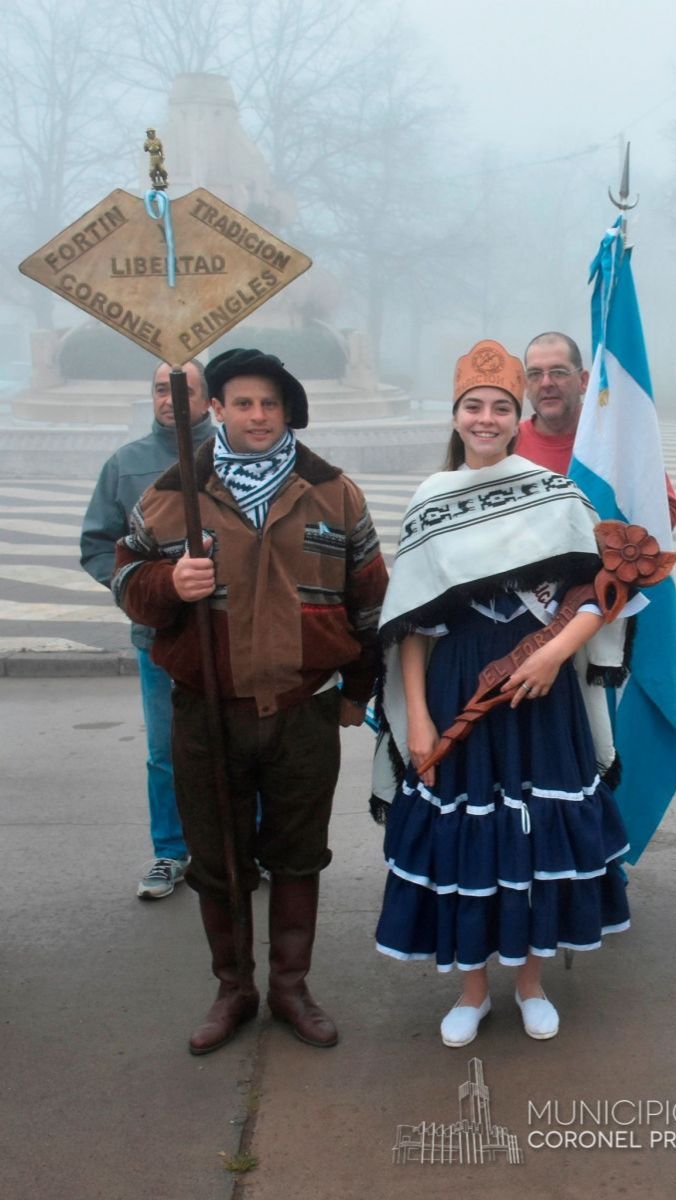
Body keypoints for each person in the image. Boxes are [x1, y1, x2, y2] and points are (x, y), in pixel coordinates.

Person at [113, 349, 387, 1054]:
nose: (256, 416)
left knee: (298, 857)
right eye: (242, 403)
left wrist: (357, 689)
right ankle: (233, 988)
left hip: (303, 709)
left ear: (287, 411)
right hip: (206, 710)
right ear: (217, 409)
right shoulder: (175, 491)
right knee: (217, 859)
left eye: (269, 404)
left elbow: (371, 599)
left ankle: (291, 988)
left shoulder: (335, 491)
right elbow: (126, 579)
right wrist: (171, 583)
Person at [371, 339, 634, 1047]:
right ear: (454, 416)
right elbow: (414, 627)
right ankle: (472, 990)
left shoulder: (554, 493)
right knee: (467, 837)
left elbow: (599, 592)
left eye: (499, 408)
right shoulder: (430, 499)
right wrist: (419, 720)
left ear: (516, 417)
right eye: (472, 407)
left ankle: (530, 983)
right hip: (462, 689)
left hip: (541, 696)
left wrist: (553, 654)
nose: (485, 419)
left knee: (534, 834)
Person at [81, 360, 213, 900]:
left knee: (246, 744)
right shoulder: (127, 464)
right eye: (162, 389)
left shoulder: (235, 457)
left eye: (184, 390)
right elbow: (97, 543)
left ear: (209, 399)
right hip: (159, 638)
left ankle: (250, 846)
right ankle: (169, 851)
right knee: (165, 750)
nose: (171, 400)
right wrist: (140, 589)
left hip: (232, 634)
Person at [519, 331, 676, 526]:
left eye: (558, 372)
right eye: (535, 374)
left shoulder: (617, 439)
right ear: (526, 386)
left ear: (584, 381)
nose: (546, 383)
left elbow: (665, 511)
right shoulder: (508, 444)